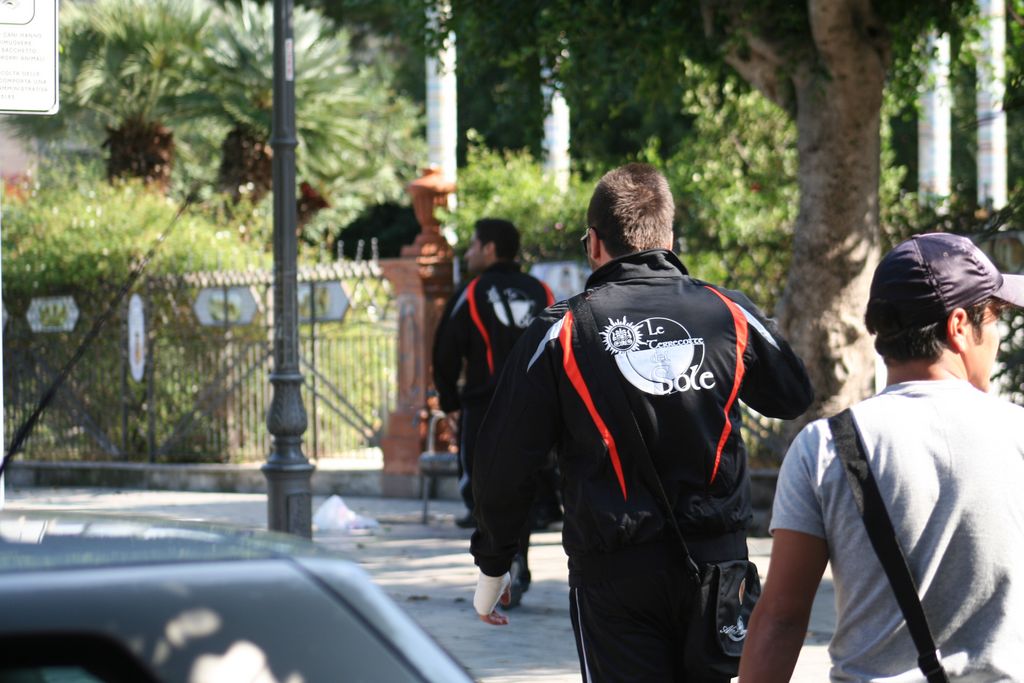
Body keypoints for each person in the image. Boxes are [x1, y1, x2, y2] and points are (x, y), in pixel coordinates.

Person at [469, 163, 814, 682]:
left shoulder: (562, 331)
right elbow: (793, 394)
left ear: (593, 243)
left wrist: (494, 567)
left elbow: (504, 461)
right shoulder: (727, 311)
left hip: (615, 577)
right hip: (717, 570)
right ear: (669, 239)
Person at [739, 233, 1024, 682]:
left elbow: (781, 618)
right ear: (958, 326)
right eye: (992, 321)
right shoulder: (1017, 433)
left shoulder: (826, 447)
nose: (997, 339)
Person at [432, 217, 557, 541]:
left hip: (485, 402)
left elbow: (445, 349)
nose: (468, 254)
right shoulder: (541, 291)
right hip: (535, 402)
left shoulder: (473, 292)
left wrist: (449, 400)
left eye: (472, 245)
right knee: (535, 463)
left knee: (481, 466)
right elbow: (559, 344)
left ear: (489, 248)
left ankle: (483, 516)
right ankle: (541, 511)